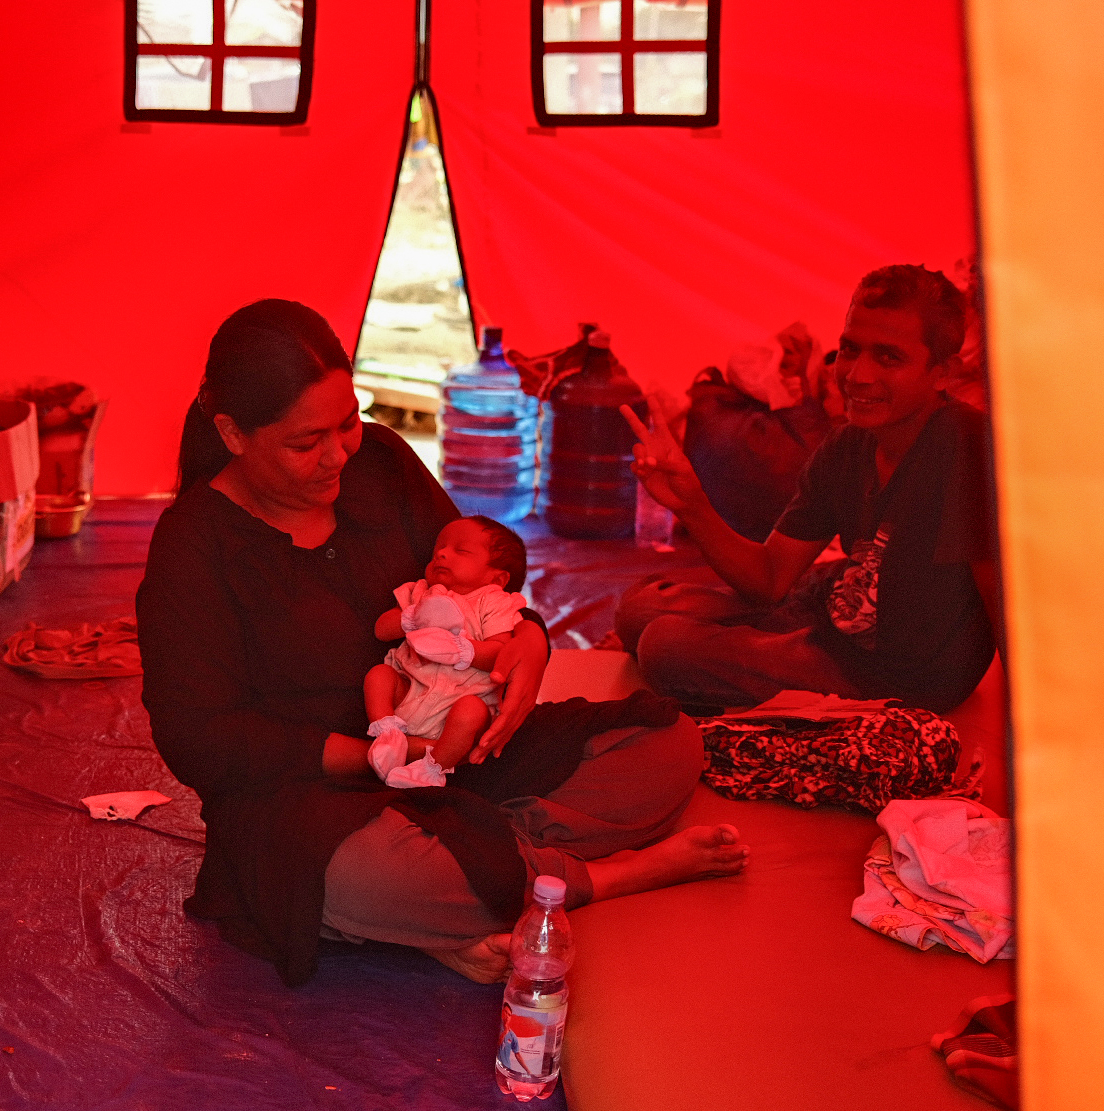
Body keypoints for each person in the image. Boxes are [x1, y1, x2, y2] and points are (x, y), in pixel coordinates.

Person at [137, 299, 748, 988]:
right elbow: (199, 737)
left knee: (666, 745)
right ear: (233, 433)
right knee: (361, 875)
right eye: (307, 443)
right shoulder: (194, 546)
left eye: (348, 422)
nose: (339, 453)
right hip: (313, 798)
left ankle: (471, 883)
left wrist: (529, 639)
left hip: (454, 750)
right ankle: (597, 877)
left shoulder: (382, 462)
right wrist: (373, 754)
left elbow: (485, 568)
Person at [616, 265, 1002, 714]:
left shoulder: (968, 449)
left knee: (667, 647)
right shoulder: (846, 446)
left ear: (941, 372)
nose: (858, 375)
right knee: (637, 611)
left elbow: (1006, 602)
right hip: (833, 611)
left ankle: (768, 657)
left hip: (897, 673)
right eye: (850, 349)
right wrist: (691, 502)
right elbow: (770, 579)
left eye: (889, 357)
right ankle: (769, 648)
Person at [364, 516, 529, 788]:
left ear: (496, 578)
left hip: (458, 705)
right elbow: (381, 629)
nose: (441, 553)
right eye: (438, 549)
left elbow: (500, 654)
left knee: (471, 712)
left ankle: (432, 768)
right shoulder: (419, 592)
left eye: (460, 551)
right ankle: (387, 733)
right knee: (379, 676)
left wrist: (463, 651)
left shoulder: (494, 603)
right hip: (410, 690)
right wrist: (412, 617)